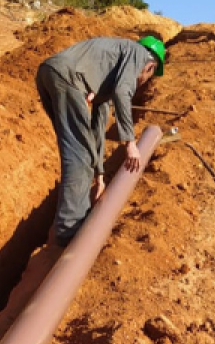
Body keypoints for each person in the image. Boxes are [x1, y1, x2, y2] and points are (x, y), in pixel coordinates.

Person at [35, 36, 165, 247]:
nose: (142, 81)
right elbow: (124, 91)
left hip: (48, 73)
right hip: (66, 77)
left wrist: (100, 177)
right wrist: (130, 143)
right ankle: (68, 231)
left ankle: (71, 219)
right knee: (78, 154)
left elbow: (97, 130)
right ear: (150, 66)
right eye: (147, 77)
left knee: (77, 148)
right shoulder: (138, 54)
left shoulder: (107, 73)